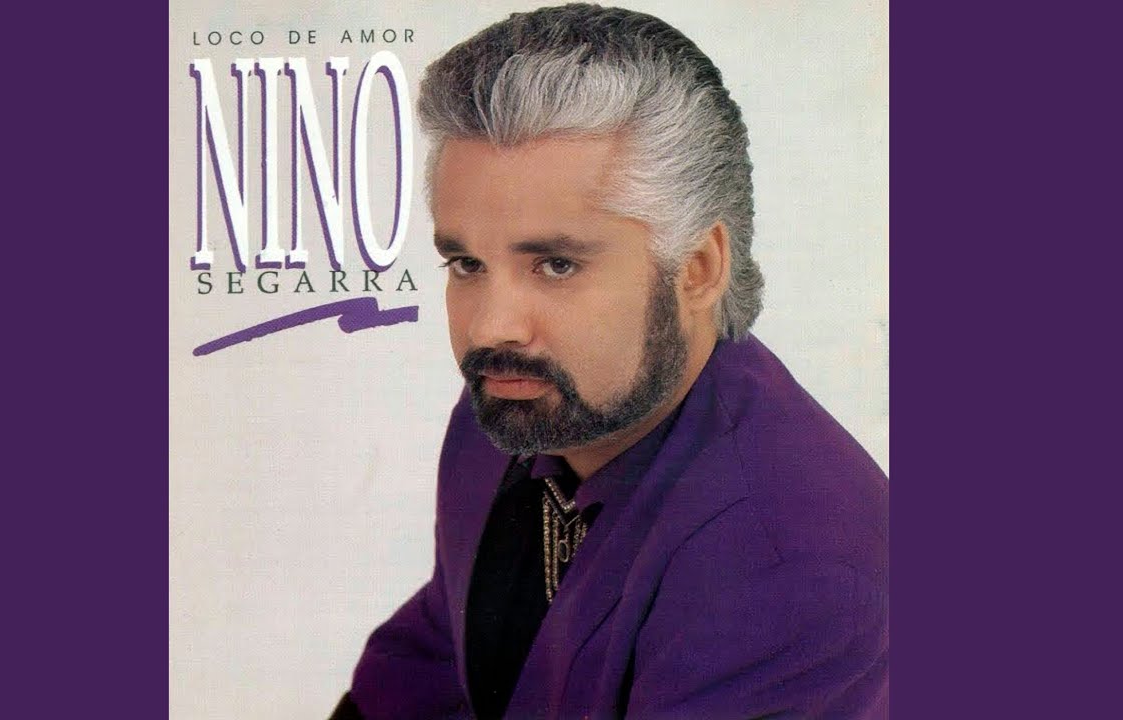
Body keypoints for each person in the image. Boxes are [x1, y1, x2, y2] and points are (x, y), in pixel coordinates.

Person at [331, 4, 888, 718]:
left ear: (696, 269)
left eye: (556, 265)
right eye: (467, 263)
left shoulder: (793, 569)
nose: (491, 328)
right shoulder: (516, 406)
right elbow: (434, 657)